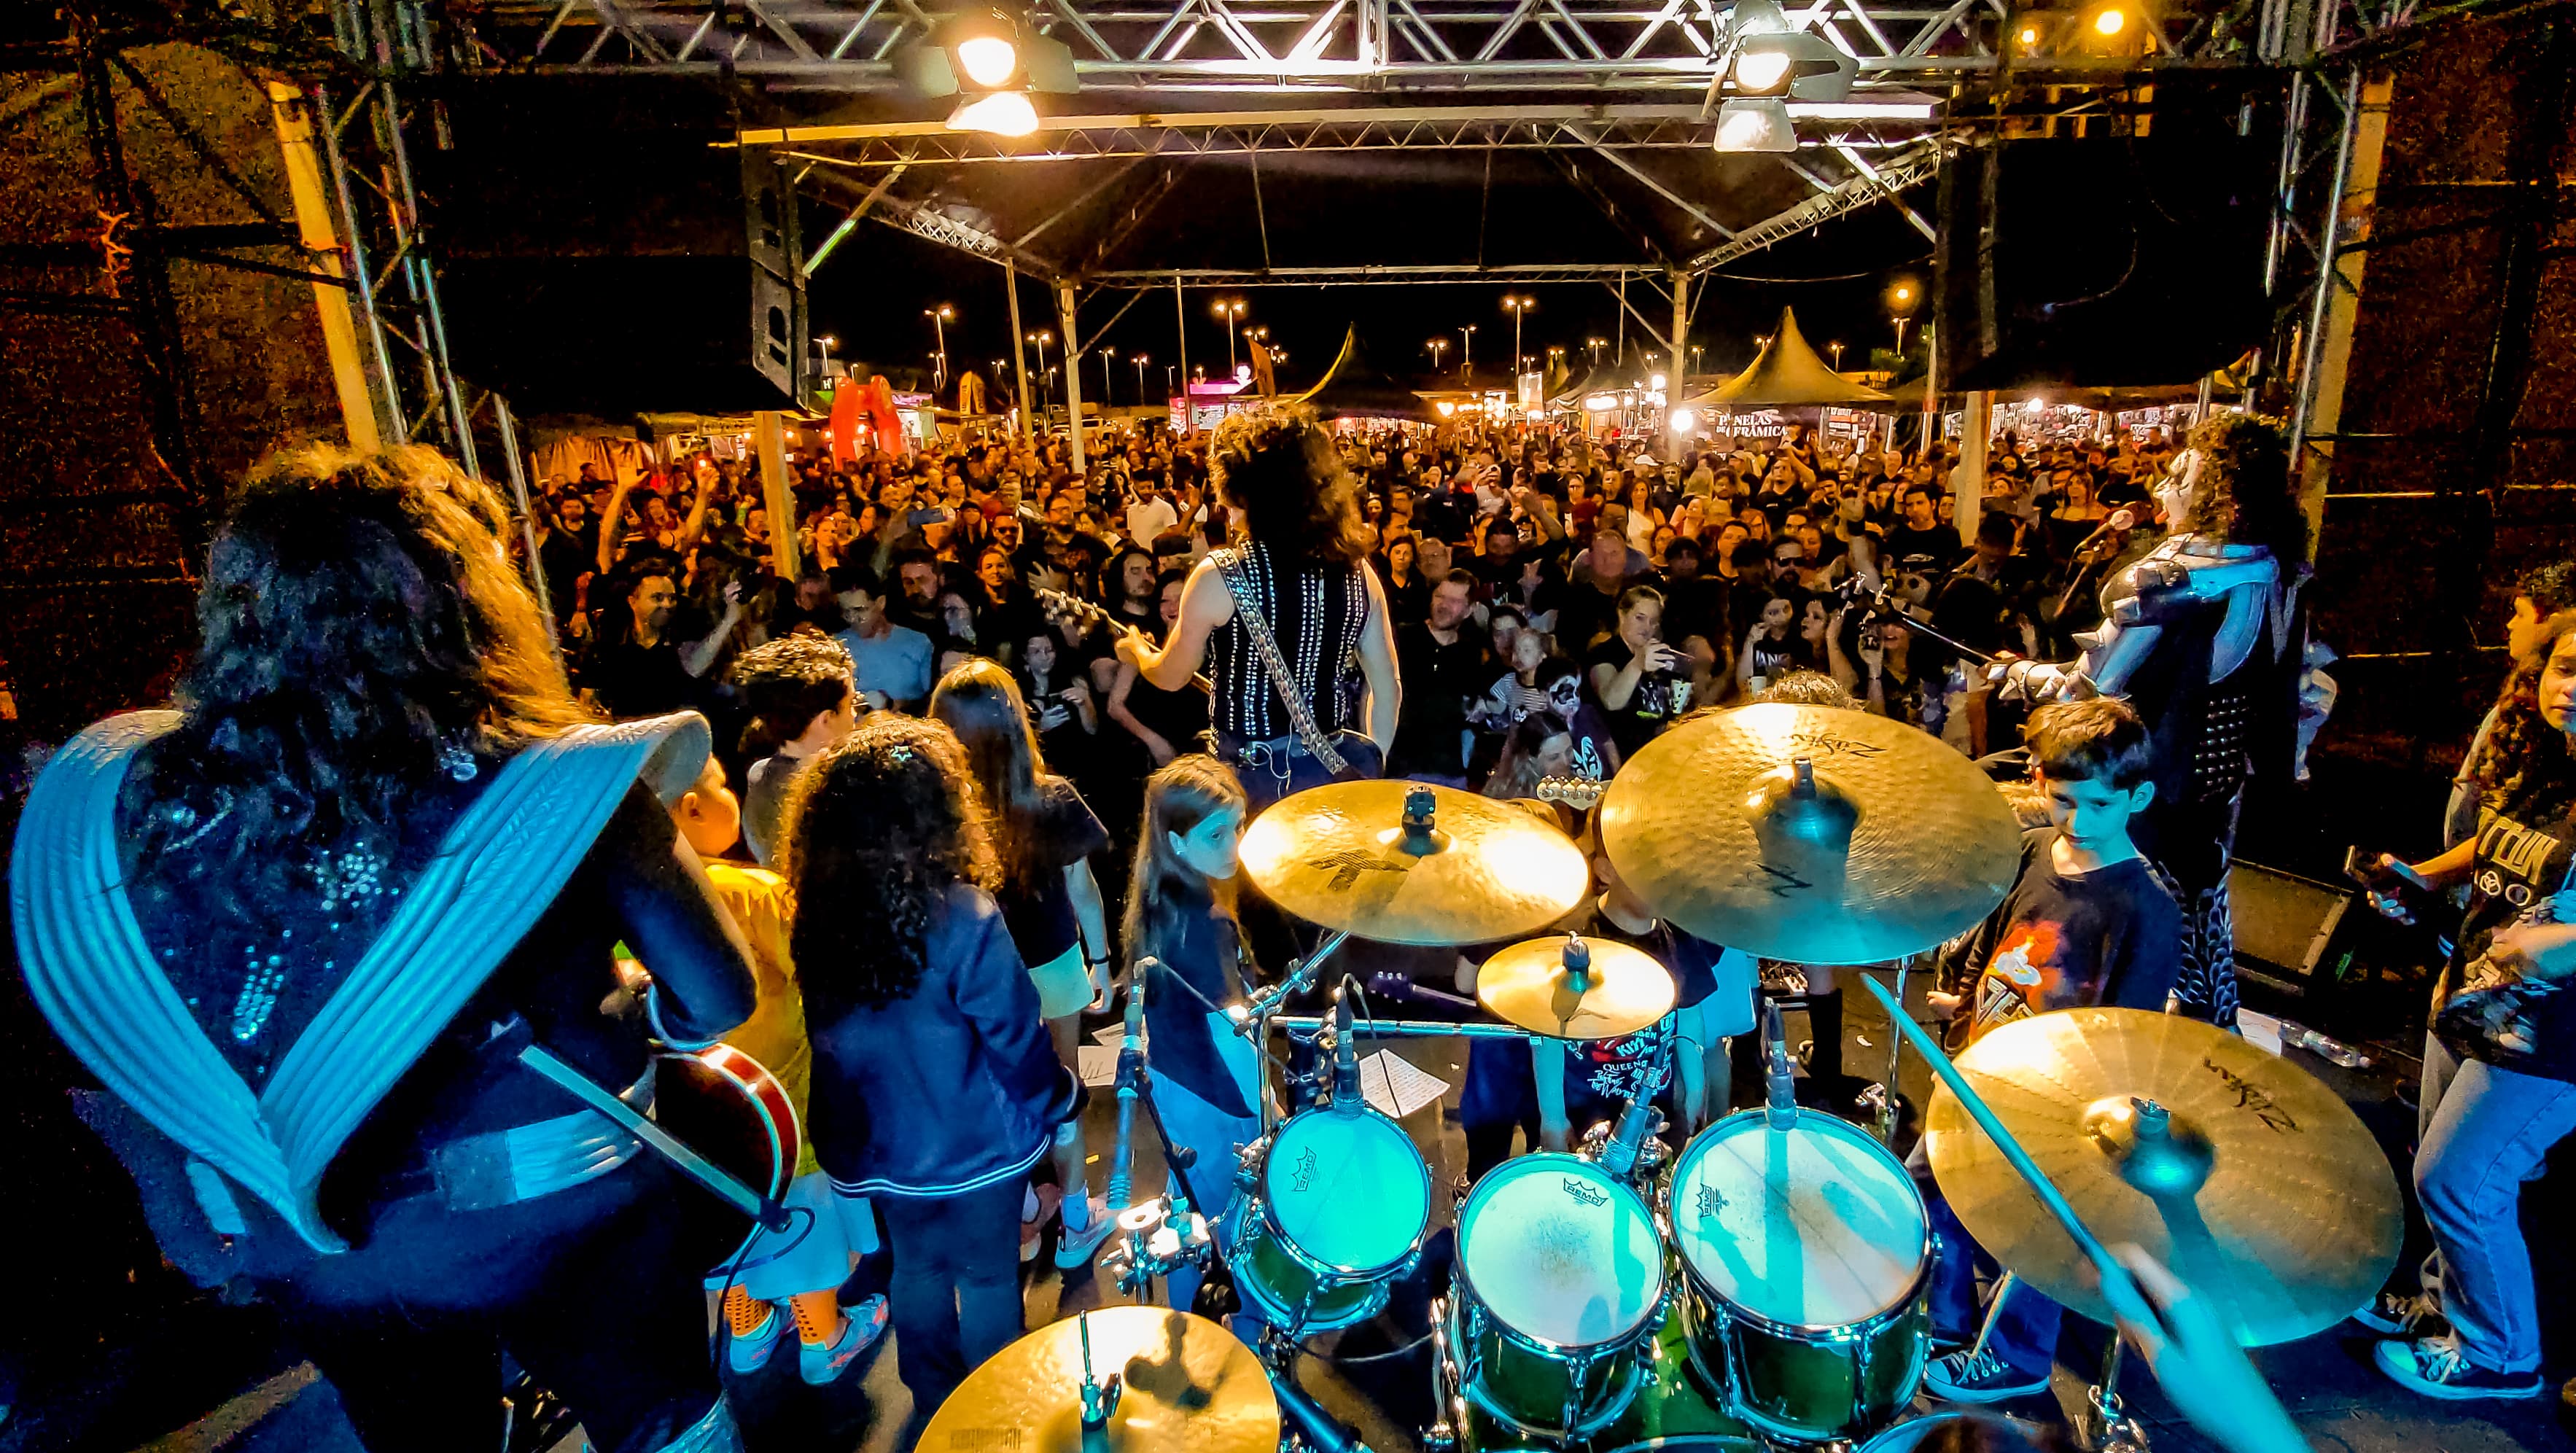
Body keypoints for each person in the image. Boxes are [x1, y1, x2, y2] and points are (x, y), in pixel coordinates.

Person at [15, 445, 760, 1453]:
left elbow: (102, 1032)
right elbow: (718, 995)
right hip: (557, 1220)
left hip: (311, 1248)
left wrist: (182, 1202)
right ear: (464, 598)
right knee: (663, 1427)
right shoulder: (549, 788)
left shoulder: (144, 810)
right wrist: (632, 1005)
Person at [782, 714, 1078, 1430]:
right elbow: (1013, 1039)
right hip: (977, 1145)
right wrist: (1059, 1097)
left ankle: (934, 1400)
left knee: (914, 1267)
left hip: (879, 1149)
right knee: (983, 1275)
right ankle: (993, 1409)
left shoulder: (817, 915)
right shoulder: (965, 914)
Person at [1993, 416, 2316, 1029]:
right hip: (2212, 798)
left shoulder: (2163, 584)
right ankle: (2198, 1050)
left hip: (2132, 795)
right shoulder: (2277, 571)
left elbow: (2084, 694)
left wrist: (2025, 676)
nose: (2162, 491)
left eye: (2177, 478)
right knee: (2197, 943)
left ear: (2217, 491)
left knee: (2101, 947)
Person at [1920, 699, 2182, 1403]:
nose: (2078, 820)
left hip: (2058, 1101)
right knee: (1936, 1184)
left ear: (2138, 796)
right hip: (1980, 1065)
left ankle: (2019, 1355)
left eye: (2100, 804)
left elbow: (2129, 1033)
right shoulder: (2036, 851)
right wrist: (1965, 996)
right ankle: (1947, 1323)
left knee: (2038, 1228)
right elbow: (1997, 937)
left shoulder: (2147, 906)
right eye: (2063, 800)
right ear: (2038, 780)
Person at [2349, 607, 2576, 1401]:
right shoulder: (2554, 761)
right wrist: (2422, 876)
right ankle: (2444, 1306)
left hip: (2550, 1036)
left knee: (2459, 1182)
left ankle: (2502, 1354)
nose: (2571, 688)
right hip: (2474, 999)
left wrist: (2558, 946)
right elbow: (2493, 844)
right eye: (2565, 667)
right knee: (2437, 1172)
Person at [664, 752, 891, 1386]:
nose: (730, 792)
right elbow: (819, 978)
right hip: (780, 1112)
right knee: (799, 1233)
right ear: (692, 808)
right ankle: (827, 1338)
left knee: (727, 1237)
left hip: (689, 1126)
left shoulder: (624, 913)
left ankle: (749, 1327)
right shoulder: (747, 891)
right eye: (721, 784)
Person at [927, 661, 1121, 1273]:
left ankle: (1021, 1228)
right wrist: (1103, 962)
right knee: (1061, 1093)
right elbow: (1084, 890)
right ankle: (1077, 1223)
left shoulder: (936, 807)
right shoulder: (1050, 795)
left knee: (996, 1098)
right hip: (1054, 965)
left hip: (976, 976)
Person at [1114, 405, 1400, 809]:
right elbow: (1386, 689)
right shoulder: (1358, 572)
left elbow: (1172, 676)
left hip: (1250, 781)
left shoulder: (1221, 575)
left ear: (1245, 494)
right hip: (1332, 778)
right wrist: (1374, 766)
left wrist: (1136, 652)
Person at [1122, 757, 1260, 1313]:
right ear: (1178, 841)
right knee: (1239, 1229)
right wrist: (1267, 1118)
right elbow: (1231, 1034)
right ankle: (1249, 1346)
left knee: (1190, 1213)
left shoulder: (1158, 900)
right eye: (1217, 833)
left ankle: (1185, 1328)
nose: (1235, 843)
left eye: (1239, 825)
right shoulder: (1206, 924)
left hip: (1174, 1082)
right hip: (1216, 1098)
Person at [730, 634, 861, 868]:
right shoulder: (840, 791)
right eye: (851, 704)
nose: (855, 715)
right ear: (826, 720)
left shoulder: (759, 775)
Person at [1388, 569, 1493, 787]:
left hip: (1448, 771)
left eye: (1454, 600)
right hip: (1398, 767)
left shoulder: (1472, 653)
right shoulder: (1402, 638)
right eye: (1440, 596)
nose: (1443, 605)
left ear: (1469, 610)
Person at [1586, 585, 1689, 760]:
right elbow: (1611, 701)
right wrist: (1637, 665)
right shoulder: (1604, 654)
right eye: (1640, 618)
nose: (1647, 627)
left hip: (1661, 754)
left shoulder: (1661, 655)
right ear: (1622, 615)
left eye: (1653, 621)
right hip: (1620, 759)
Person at [832, 564, 935, 713]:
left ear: (881, 603)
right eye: (846, 612)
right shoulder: (836, 647)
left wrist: (896, 705)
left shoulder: (918, 643)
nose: (853, 619)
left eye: (860, 610)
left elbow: (931, 699)